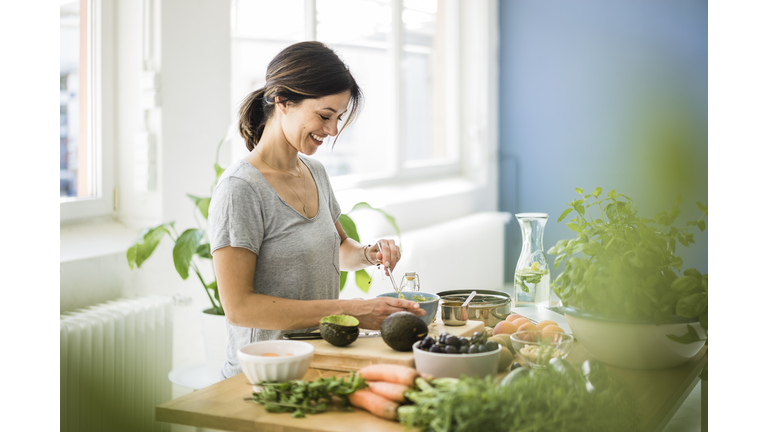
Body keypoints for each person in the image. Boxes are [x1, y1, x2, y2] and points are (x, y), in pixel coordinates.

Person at [208, 41, 425, 380]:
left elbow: (338, 250)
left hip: (318, 360)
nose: (333, 130)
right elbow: (240, 308)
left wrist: (369, 253)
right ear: (282, 100)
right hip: (264, 374)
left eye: (338, 118)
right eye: (325, 116)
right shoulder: (240, 188)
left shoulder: (315, 173)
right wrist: (354, 310)